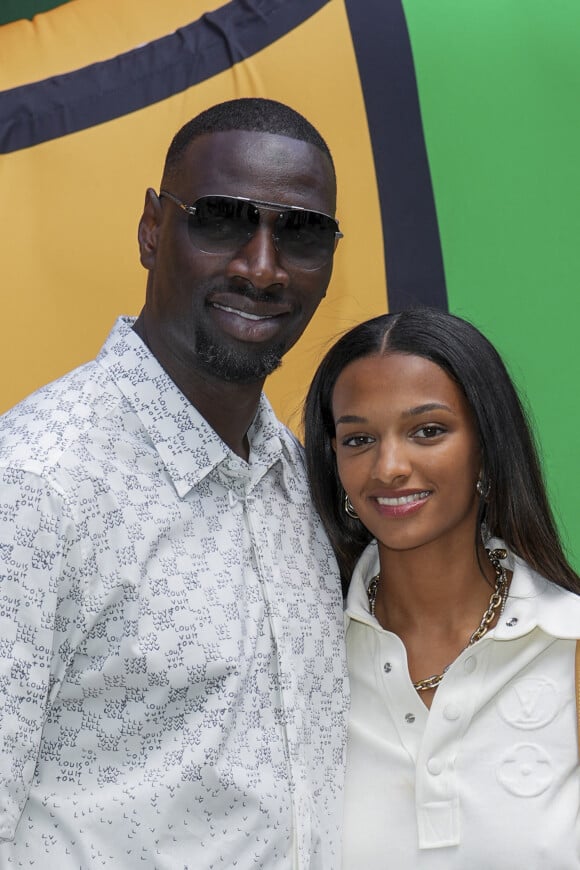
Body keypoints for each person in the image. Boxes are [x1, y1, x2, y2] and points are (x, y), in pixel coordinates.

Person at [0, 98, 348, 868]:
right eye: (221, 219)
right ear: (152, 228)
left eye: (301, 232)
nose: (261, 266)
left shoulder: (304, 481)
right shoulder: (33, 488)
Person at [303, 306, 580, 868]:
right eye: (358, 439)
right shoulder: (302, 657)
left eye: (427, 431)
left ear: (487, 445)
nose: (389, 466)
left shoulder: (570, 646)